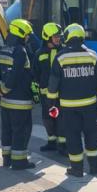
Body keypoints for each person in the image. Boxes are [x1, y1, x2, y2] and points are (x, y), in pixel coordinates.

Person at [47, 23, 97, 177]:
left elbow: (53, 85)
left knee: (73, 137)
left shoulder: (60, 57)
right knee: (92, 135)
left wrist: (51, 104)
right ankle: (94, 166)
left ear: (67, 37)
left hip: (68, 107)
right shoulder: (93, 55)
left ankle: (76, 169)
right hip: (90, 105)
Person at [0, 19, 37, 169]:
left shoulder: (5, 48)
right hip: (20, 100)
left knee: (7, 129)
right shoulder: (20, 51)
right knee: (22, 131)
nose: (27, 38)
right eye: (26, 35)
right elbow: (16, 74)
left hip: (5, 101)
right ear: (20, 34)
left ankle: (7, 159)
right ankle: (19, 161)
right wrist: (6, 88)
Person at [36, 22, 65, 154]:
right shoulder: (39, 53)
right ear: (47, 37)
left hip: (61, 94)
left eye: (59, 36)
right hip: (45, 94)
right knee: (48, 118)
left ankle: (63, 145)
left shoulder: (64, 51)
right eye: (55, 37)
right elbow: (34, 73)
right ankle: (51, 141)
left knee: (61, 118)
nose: (58, 39)